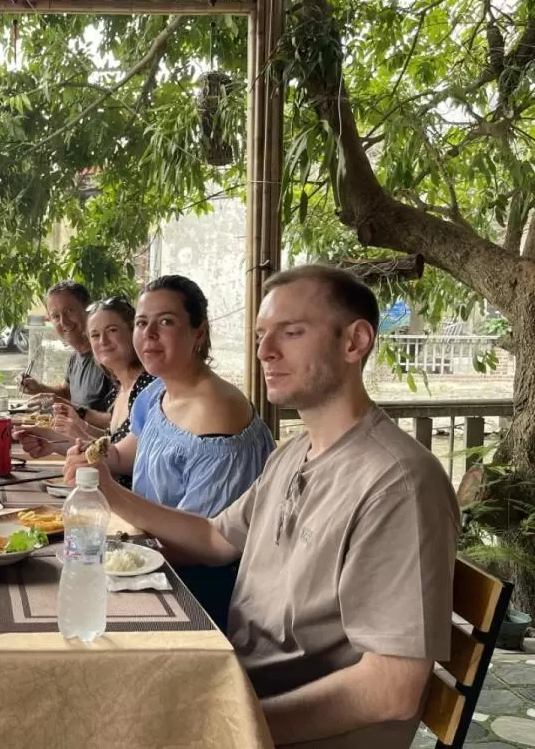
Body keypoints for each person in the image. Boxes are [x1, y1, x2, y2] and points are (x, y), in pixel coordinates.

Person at [73, 265, 460, 749]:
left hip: (285, 725)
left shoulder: (396, 484)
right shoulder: (293, 454)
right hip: (238, 679)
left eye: (291, 333)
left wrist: (226, 723)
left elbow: (391, 690)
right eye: (260, 335)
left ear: (354, 342)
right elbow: (216, 539)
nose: (264, 352)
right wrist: (108, 492)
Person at [63, 275, 273, 517]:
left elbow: (205, 541)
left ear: (199, 333)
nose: (149, 334)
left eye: (166, 321)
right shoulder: (157, 393)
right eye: (141, 323)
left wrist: (111, 492)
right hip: (147, 543)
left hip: (176, 553)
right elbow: (122, 456)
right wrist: (88, 458)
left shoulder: (217, 412)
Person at [19, 296, 155, 488]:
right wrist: (53, 442)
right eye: (95, 335)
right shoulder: (124, 386)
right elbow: (109, 447)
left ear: (133, 332)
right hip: (110, 495)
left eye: (112, 330)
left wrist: (70, 434)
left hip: (129, 504)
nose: (103, 341)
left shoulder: (149, 388)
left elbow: (125, 460)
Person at [18, 280, 113, 427]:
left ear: (89, 310)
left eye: (69, 311)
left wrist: (72, 410)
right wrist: (39, 388)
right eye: (56, 316)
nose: (64, 322)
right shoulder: (75, 357)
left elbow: (121, 423)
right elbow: (67, 392)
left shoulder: (110, 358)